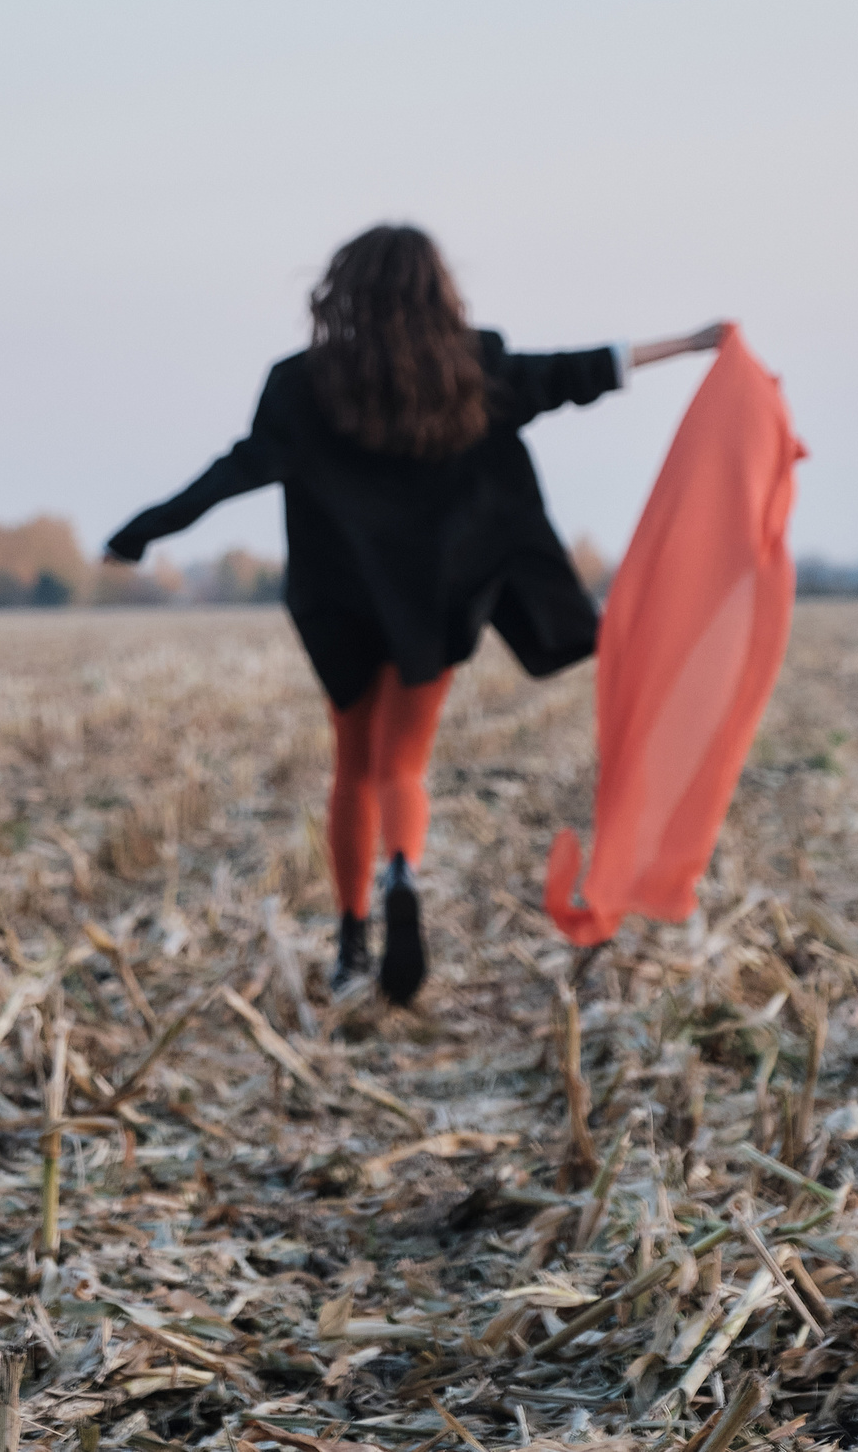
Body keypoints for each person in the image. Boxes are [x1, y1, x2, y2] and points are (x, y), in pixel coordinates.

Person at [105, 224, 725, 1006]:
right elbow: (576, 372)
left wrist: (143, 529)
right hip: (434, 607)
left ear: (343, 292)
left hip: (339, 601)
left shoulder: (300, 383)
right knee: (401, 765)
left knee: (352, 766)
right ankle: (402, 870)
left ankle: (351, 939)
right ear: (436, 291)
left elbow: (237, 469)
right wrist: (692, 343)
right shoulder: (473, 367)